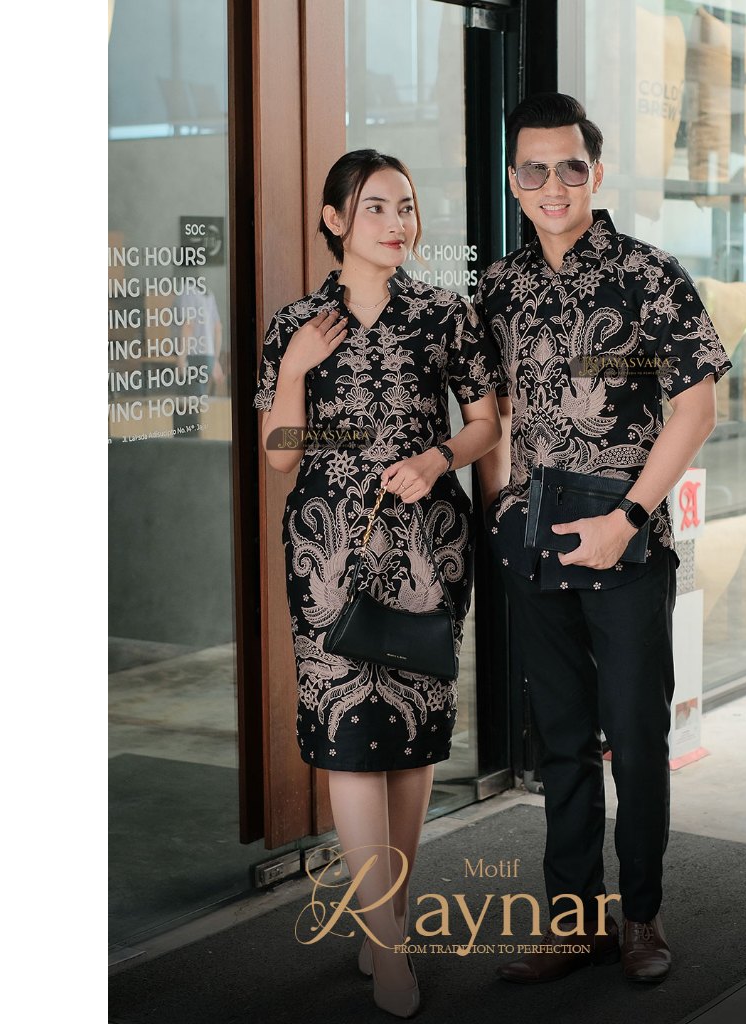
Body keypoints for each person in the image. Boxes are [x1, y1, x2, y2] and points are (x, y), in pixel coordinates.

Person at [473, 94, 731, 985]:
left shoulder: (650, 275)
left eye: (571, 167)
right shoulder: (498, 288)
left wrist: (627, 521)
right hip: (535, 547)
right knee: (561, 742)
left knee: (637, 739)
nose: (553, 185)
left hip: (626, 549)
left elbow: (696, 408)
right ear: (514, 180)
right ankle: (574, 921)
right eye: (534, 169)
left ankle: (642, 918)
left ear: (596, 173)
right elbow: (492, 412)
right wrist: (500, 509)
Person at [254, 149, 502, 1017]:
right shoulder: (295, 323)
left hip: (428, 549)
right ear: (335, 221)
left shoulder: (444, 313)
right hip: (328, 554)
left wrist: (437, 458)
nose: (399, 223)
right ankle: (391, 950)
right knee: (349, 734)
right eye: (376, 208)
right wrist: (294, 370)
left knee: (412, 737)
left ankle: (383, 919)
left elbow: (485, 423)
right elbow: (281, 459)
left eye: (406, 206)